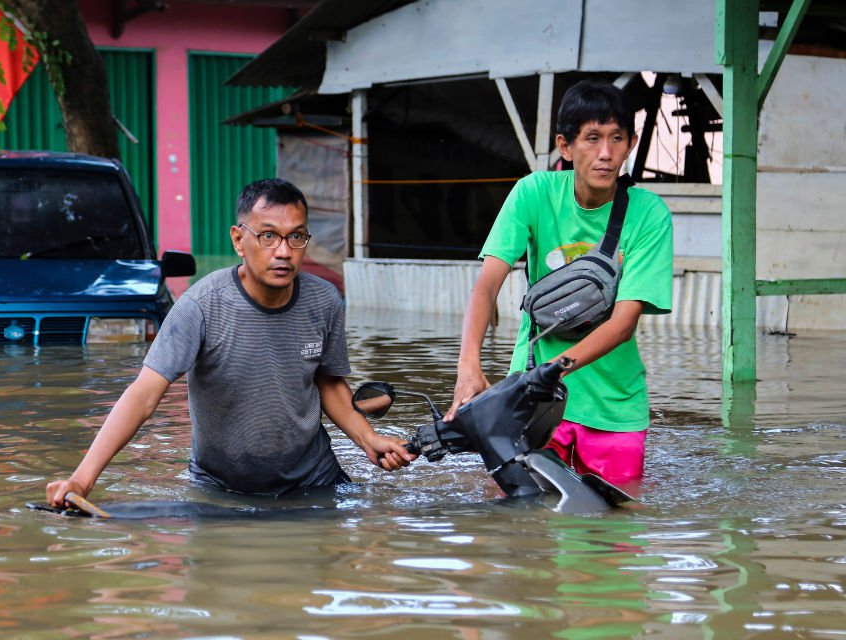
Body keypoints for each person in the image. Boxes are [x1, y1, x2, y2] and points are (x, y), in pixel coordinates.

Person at [46, 178, 414, 506]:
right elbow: (143, 395)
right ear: (239, 239)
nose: (283, 251)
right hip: (220, 488)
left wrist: (369, 439)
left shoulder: (325, 301)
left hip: (314, 479)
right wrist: (82, 478)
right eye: (268, 236)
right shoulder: (200, 306)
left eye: (296, 236)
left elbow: (328, 382)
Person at [445, 80, 673, 485]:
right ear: (565, 146)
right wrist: (468, 367)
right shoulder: (533, 193)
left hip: (613, 407)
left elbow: (622, 325)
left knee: (614, 535)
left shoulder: (649, 214)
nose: (605, 153)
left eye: (616, 138)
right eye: (592, 138)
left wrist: (554, 369)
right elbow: (486, 286)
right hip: (531, 400)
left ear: (632, 143)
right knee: (524, 526)